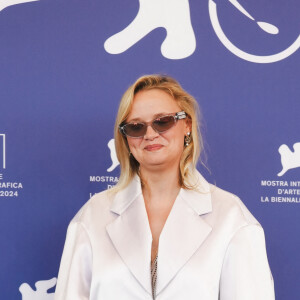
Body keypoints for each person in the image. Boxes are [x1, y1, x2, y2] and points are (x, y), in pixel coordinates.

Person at [54, 74, 275, 300]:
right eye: (136, 127)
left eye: (163, 121)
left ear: (186, 125)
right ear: (125, 138)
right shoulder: (92, 216)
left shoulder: (231, 217)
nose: (150, 135)